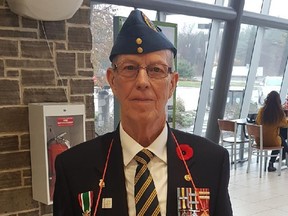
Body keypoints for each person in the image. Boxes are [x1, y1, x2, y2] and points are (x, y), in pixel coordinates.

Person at [53, 9, 232, 216]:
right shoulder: (74, 167)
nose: (142, 81)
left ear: (172, 83)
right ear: (112, 80)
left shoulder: (210, 161)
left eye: (156, 70)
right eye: (130, 68)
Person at [256, 91, 288, 172]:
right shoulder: (279, 113)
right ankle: (271, 162)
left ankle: (284, 154)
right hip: (273, 141)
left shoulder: (261, 111)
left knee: (280, 137)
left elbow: (258, 121)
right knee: (279, 139)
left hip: (260, 141)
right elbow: (285, 124)